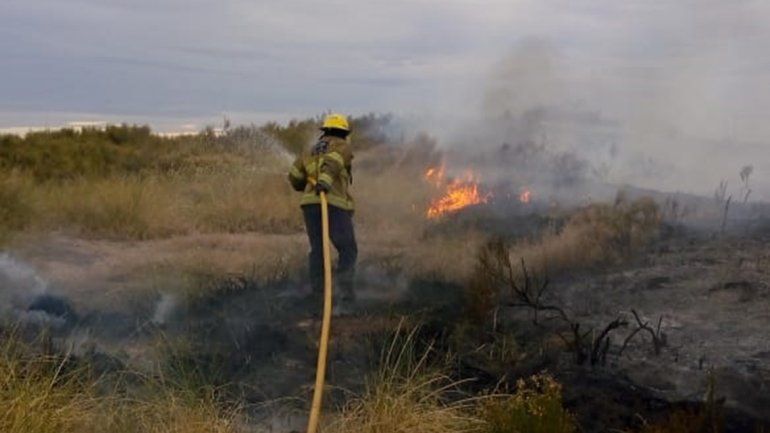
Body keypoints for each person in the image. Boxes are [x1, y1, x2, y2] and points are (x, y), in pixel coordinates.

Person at [288, 113, 357, 311]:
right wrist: (325, 182)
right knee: (348, 249)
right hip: (333, 203)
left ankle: (318, 295)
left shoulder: (310, 150)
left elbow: (294, 176)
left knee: (318, 249)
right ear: (343, 133)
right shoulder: (342, 146)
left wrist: (309, 184)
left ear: (325, 131)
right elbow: (333, 162)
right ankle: (345, 297)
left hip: (310, 204)